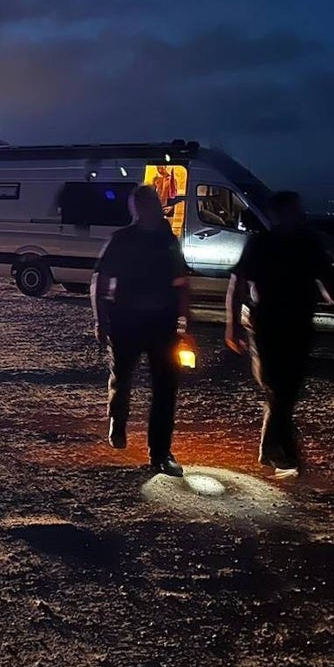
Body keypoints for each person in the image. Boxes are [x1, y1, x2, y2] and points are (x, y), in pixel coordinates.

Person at [225, 190, 334, 478]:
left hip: (298, 325)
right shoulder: (261, 244)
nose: (299, 214)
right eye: (293, 210)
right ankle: (287, 457)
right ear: (278, 214)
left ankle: (271, 451)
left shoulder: (309, 244)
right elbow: (237, 285)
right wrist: (232, 325)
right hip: (267, 324)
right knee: (277, 388)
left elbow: (329, 289)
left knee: (284, 392)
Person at [91, 185, 191, 476]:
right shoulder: (121, 240)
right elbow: (100, 281)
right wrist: (101, 320)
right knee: (122, 377)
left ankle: (160, 452)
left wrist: (185, 319)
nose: (149, 210)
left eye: (152, 204)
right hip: (126, 322)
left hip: (162, 324)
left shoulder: (167, 239)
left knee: (165, 388)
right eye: (144, 205)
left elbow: (181, 280)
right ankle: (117, 422)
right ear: (135, 209)